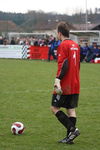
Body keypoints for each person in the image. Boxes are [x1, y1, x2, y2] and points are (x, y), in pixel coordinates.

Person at [51, 22, 80, 144]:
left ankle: (72, 129)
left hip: (65, 83)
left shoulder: (63, 45)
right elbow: (77, 64)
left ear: (59, 33)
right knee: (71, 109)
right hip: (75, 82)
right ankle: (69, 138)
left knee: (54, 107)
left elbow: (64, 64)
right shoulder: (76, 45)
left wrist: (58, 79)